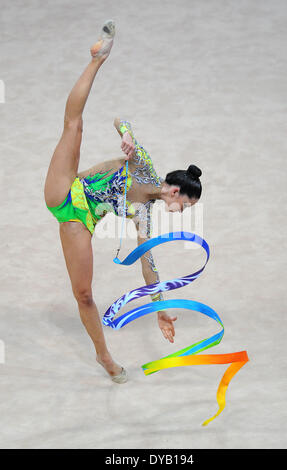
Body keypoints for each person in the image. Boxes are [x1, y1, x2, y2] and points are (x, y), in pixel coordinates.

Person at [44, 20, 202, 384]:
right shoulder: (144, 165)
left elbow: (149, 267)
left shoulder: (144, 213)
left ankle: (103, 356)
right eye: (185, 206)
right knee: (74, 126)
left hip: (77, 221)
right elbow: (119, 118)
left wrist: (159, 309)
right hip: (66, 187)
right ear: (176, 192)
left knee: (83, 295)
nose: (180, 213)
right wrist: (127, 135)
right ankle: (98, 58)